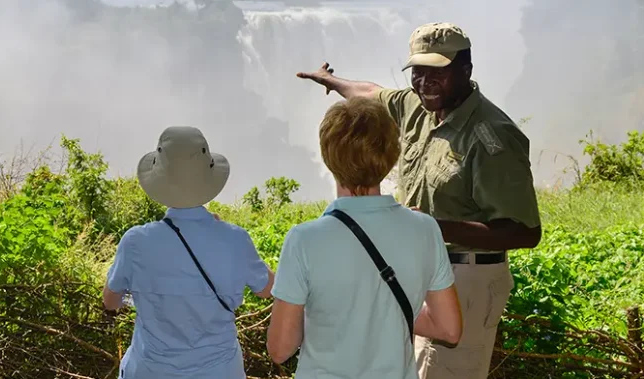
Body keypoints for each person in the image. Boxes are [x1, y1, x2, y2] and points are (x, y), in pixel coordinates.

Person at [296, 22, 542, 378]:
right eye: (418, 72)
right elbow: (371, 93)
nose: (425, 82)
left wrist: (431, 227)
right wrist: (331, 81)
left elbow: (524, 232)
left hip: (466, 277)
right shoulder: (419, 107)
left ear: (466, 70)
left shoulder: (492, 138)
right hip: (422, 268)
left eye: (437, 72)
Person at [266, 97, 463, 378]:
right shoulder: (425, 229)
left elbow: (280, 349)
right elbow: (449, 329)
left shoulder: (304, 240)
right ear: (391, 155)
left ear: (328, 156)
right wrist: (390, 313)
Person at [102, 126, 275, 379]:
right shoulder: (235, 239)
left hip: (151, 371)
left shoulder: (135, 242)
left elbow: (110, 301)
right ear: (207, 177)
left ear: (160, 179)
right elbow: (268, 289)